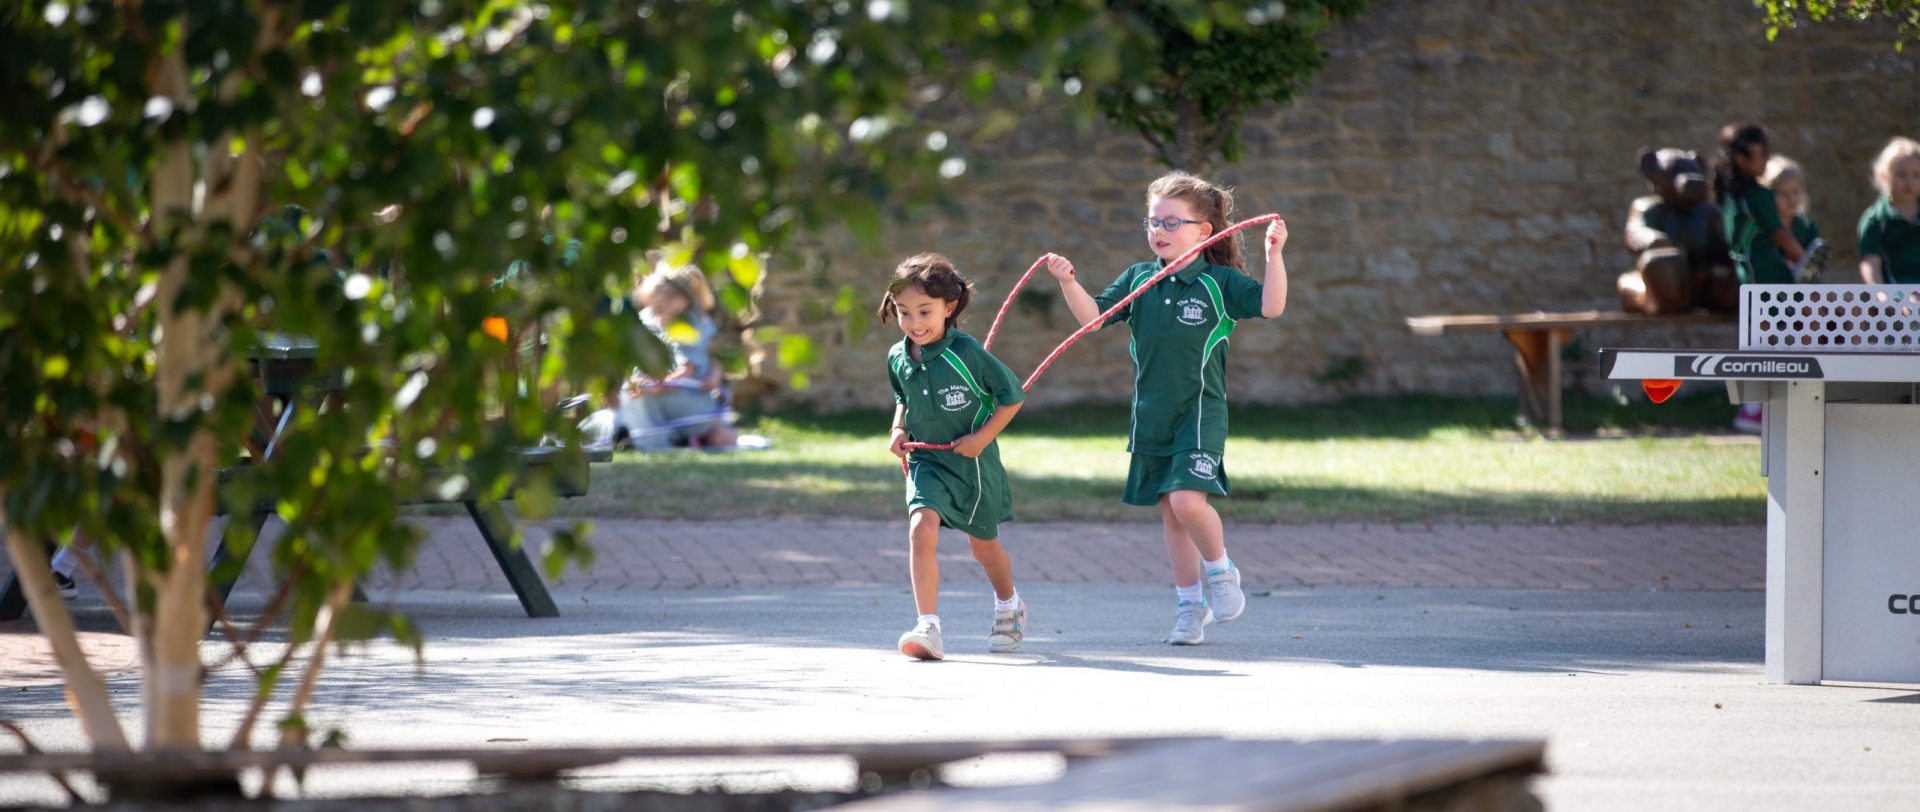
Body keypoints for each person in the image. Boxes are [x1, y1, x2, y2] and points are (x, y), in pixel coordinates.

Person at [1044, 172, 1288, 645]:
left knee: (1186, 501)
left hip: (1200, 415)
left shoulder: (1219, 283)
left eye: (1172, 222)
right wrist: (1067, 282)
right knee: (1171, 515)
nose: (1158, 230)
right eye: (1152, 221)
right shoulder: (1138, 279)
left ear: (1203, 230)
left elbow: (1272, 306)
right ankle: (1189, 607)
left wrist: (1274, 255)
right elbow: (1092, 321)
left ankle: (1221, 572)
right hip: (1151, 417)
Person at [883, 254, 1028, 660]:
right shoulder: (898, 356)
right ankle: (928, 625)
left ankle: (1008, 605)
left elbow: (1012, 397)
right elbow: (902, 396)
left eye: (925, 311)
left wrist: (981, 439)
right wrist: (899, 427)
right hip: (928, 462)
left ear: (950, 307)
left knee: (983, 548)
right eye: (904, 312)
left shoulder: (968, 353)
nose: (915, 322)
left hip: (974, 465)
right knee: (920, 528)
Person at [618, 263, 738, 449]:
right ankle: (640, 437)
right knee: (627, 391)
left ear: (680, 302)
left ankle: (655, 445)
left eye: (659, 307)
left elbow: (685, 373)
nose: (654, 313)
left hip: (692, 400)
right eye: (651, 307)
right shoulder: (650, 320)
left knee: (632, 394)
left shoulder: (691, 325)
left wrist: (652, 387)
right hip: (669, 397)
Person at [1716, 123, 1807, 287]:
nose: (1768, 158)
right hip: (1765, 274)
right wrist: (1806, 262)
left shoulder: (1730, 194)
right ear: (1741, 159)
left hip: (1744, 274)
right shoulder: (1757, 195)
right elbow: (1781, 235)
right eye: (1763, 153)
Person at [1857, 136, 1920, 285]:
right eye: (1901, 175)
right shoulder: (1875, 220)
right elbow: (1871, 263)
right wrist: (1882, 295)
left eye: (1916, 175)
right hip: (1896, 292)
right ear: (1884, 176)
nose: (1909, 181)